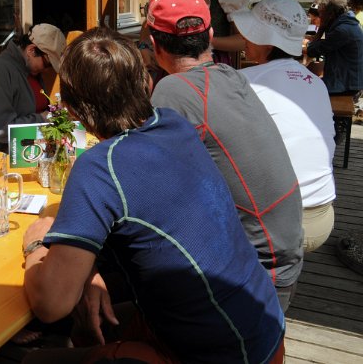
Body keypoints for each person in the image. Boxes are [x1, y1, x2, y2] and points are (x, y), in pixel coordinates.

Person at [21, 27, 285, 363]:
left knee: (33, 359)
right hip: (264, 329)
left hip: (220, 353)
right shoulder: (175, 124)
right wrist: (86, 272)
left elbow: (51, 304)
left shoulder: (101, 167)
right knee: (96, 315)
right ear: (147, 84)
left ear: (71, 110)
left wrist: (34, 245)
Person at [147, 0, 303, 312]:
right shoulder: (232, 76)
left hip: (258, 268)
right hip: (284, 247)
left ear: (153, 43)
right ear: (211, 34)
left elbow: (152, 188)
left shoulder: (173, 89)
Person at [235, 0, 336, 252]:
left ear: (267, 43)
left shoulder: (245, 81)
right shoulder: (315, 83)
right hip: (323, 214)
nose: (244, 38)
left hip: (281, 221)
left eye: (250, 33)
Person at [0, 23, 65, 168]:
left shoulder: (30, 70)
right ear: (32, 51)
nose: (47, 70)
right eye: (47, 64)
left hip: (27, 156)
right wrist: (43, 118)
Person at [306, 0, 363, 95]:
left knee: (303, 89)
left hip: (344, 86)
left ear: (330, 14)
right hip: (348, 81)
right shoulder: (347, 24)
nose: (320, 16)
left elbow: (312, 51)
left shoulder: (342, 30)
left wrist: (321, 28)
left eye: (321, 13)